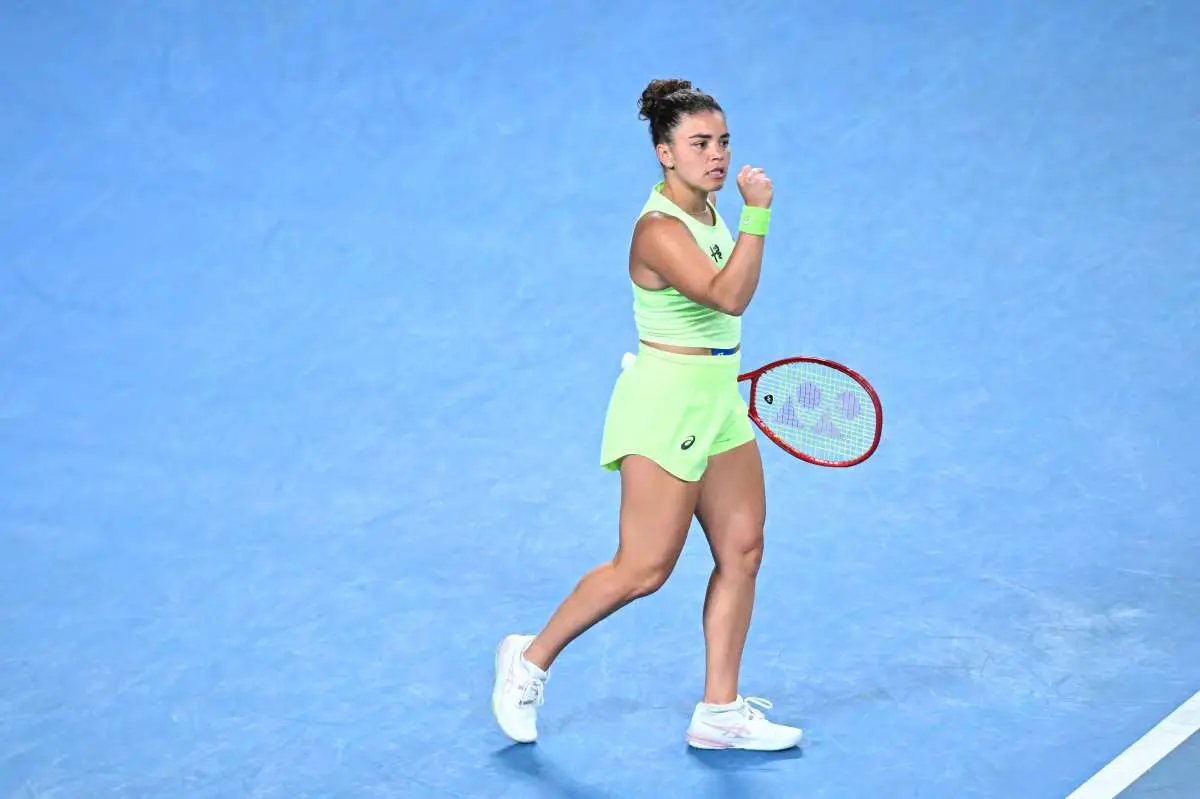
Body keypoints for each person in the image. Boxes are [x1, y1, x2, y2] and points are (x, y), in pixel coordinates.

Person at [491, 78, 803, 751]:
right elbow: (728, 296)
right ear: (665, 153)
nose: (716, 155)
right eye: (699, 144)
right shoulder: (658, 230)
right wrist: (758, 214)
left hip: (717, 399)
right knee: (643, 569)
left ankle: (719, 712)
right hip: (666, 406)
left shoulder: (707, 207)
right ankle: (529, 659)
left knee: (743, 551)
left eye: (722, 141)